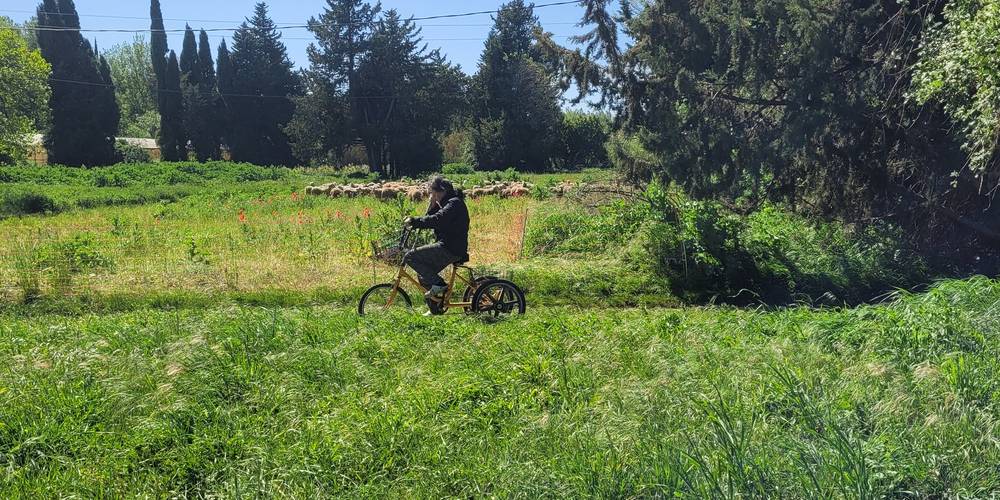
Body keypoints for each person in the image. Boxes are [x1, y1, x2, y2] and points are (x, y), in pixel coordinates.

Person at [404, 176, 470, 307]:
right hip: (449, 246)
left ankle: (440, 285)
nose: (431, 195)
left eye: (433, 192)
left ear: (441, 191)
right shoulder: (448, 203)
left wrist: (414, 221)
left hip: (450, 247)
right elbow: (432, 218)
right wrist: (432, 205)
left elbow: (438, 219)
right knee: (424, 275)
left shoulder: (454, 203)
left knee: (410, 256)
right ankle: (436, 309)